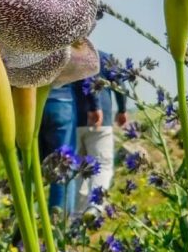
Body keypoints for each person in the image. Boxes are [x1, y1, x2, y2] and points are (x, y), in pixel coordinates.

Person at [73, 51, 127, 214]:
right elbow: (119, 84)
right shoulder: (103, 57)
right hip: (101, 120)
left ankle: (76, 214)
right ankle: (95, 207)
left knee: (77, 170)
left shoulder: (68, 57)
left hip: (73, 119)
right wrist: (122, 109)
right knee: (102, 165)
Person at [38, 82, 77, 213]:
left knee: (30, 169)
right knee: (63, 168)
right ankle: (59, 226)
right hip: (61, 103)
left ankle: (24, 225)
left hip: (31, 104)